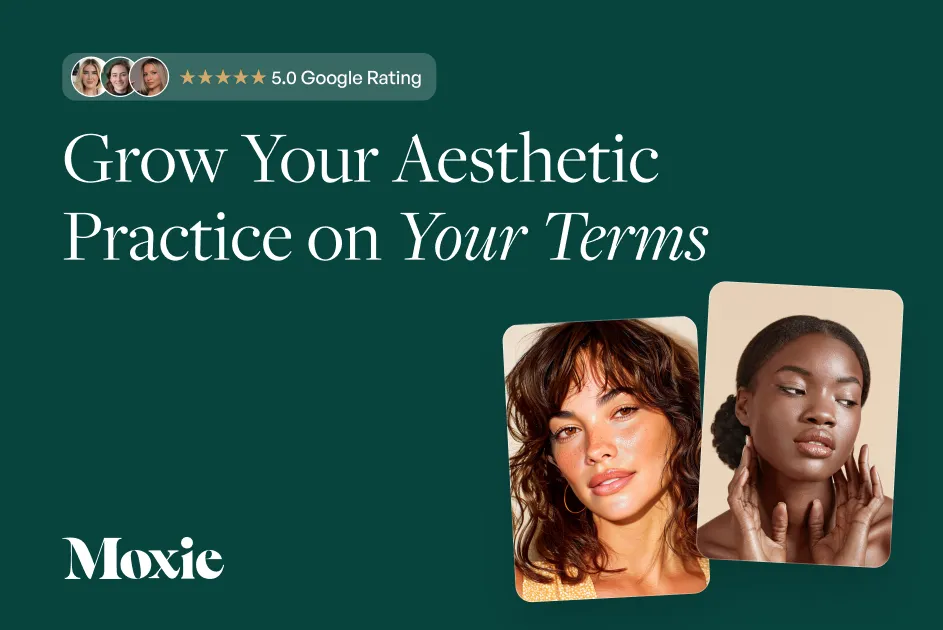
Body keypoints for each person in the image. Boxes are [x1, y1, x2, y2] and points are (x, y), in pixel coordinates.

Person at [506, 320, 708, 601]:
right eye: (568, 431)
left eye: (623, 411)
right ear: (553, 461)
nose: (595, 449)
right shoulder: (523, 593)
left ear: (681, 421)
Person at [697, 315, 893, 566]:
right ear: (745, 406)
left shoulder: (902, 537)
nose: (822, 414)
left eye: (846, 400)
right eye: (794, 389)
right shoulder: (700, 552)